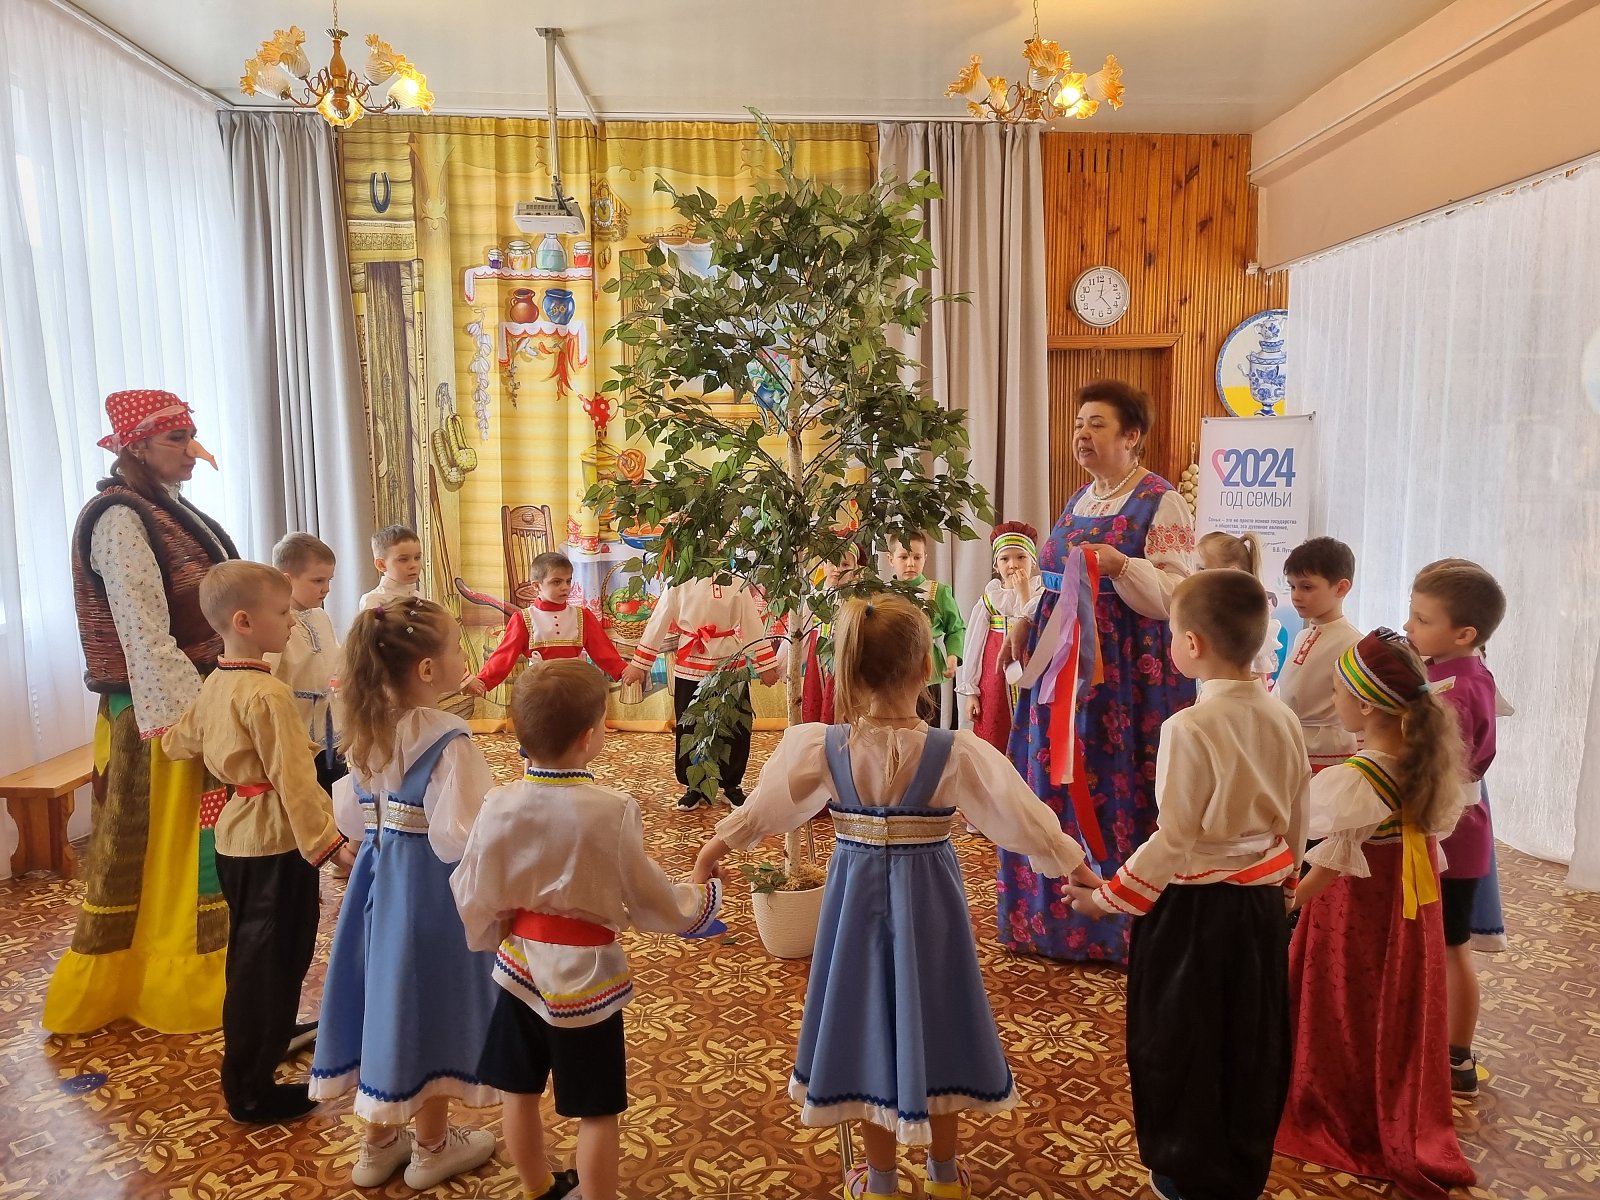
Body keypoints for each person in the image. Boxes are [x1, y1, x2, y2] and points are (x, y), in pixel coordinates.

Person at [692, 594, 1101, 1200]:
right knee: (939, 1019)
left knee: (864, 1025)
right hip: (931, 907)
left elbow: (765, 809)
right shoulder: (955, 751)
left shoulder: (824, 746)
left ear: (850, 671)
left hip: (852, 906)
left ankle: (879, 1181)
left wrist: (713, 850)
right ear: (927, 668)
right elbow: (1020, 818)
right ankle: (943, 1176)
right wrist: (1073, 863)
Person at [1068, 569, 1309, 1200]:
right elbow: (1296, 818)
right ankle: (1241, 1169)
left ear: (1193, 644)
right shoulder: (1283, 718)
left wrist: (1105, 899)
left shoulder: (1189, 727)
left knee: (1179, 1038)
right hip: (1259, 909)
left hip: (1194, 913)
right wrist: (1284, 890)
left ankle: (1185, 1174)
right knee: (1250, 1036)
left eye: (1173, 632)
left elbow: (1174, 840)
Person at [451, 660, 726, 1200]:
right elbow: (647, 895)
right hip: (586, 981)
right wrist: (698, 892)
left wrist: (493, 938)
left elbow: (473, 887)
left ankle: (538, 1189)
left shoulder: (498, 804)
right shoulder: (612, 810)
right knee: (597, 1108)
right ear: (588, 736)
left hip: (519, 968)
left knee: (518, 1090)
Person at [45, 389, 237, 1036]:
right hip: (157, 711)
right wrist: (192, 721)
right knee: (161, 848)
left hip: (195, 695)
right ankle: (157, 982)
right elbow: (143, 632)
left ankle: (202, 976)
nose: (193, 450)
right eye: (176, 438)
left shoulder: (166, 508)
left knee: (196, 845)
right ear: (137, 446)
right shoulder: (119, 518)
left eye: (190, 435)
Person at [997, 380, 1196, 965]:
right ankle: (1047, 920)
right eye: (1079, 424)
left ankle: (1121, 924)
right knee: (1053, 777)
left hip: (1125, 676)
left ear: (1132, 436)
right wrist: (1025, 619)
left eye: (1097, 424)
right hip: (1061, 671)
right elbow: (1056, 581)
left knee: (1116, 782)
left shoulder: (1160, 500)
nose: (1082, 434)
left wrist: (1123, 566)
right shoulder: (1079, 499)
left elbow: (1177, 594)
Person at [1275, 629, 1475, 1200]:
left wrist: (1283, 905)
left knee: (1346, 1009)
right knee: (1391, 1004)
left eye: (1338, 691)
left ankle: (1339, 1105)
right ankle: (1389, 1096)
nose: (1333, 700)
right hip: (1405, 916)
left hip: (1353, 918)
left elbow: (1329, 865)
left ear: (1365, 705)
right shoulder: (1422, 765)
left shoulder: (1359, 779)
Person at [309, 598, 502, 1190]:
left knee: (382, 996)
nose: (463, 658)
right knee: (429, 1004)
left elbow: (352, 816)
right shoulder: (447, 739)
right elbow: (462, 835)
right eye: (456, 648)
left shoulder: (366, 727)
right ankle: (432, 1147)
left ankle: (376, 1144)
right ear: (427, 668)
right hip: (428, 894)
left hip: (375, 883)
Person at [161, 561, 355, 1123]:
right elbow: (295, 780)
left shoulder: (217, 683)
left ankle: (269, 1042)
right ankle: (250, 1090)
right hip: (275, 842)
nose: (292, 621)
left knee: (254, 957)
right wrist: (329, 844)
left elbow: (178, 742)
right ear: (244, 621)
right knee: (275, 961)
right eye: (282, 611)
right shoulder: (267, 694)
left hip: (235, 837)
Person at [1405, 558, 1506, 1097]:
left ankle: (1457, 1054)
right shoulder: (1452, 672)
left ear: (1464, 633)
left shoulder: (1456, 689)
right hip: (1451, 824)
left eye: (1422, 619)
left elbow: (1439, 766)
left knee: (1451, 944)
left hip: (1451, 831)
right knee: (1439, 942)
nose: (1409, 626)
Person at [620, 575, 781, 809]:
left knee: (735, 726)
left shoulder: (737, 580)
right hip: (690, 664)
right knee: (690, 727)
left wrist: (765, 665)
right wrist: (639, 664)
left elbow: (751, 622)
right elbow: (659, 620)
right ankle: (694, 786)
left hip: (730, 664)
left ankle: (732, 785)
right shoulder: (679, 580)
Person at [465, 551, 626, 698]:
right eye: (556, 582)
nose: (565, 587)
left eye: (568, 581)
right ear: (536, 586)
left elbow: (602, 650)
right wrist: (483, 681)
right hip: (539, 687)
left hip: (575, 685)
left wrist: (623, 670)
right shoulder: (523, 618)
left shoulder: (582, 616)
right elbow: (505, 655)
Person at [269, 533, 347, 793]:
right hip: (296, 727)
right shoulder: (274, 622)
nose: (326, 588)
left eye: (329, 580)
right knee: (305, 793)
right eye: (317, 581)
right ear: (286, 580)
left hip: (330, 725)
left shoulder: (321, 617)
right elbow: (267, 675)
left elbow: (334, 660)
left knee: (335, 790)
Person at [1276, 537, 1362, 774]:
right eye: (1292, 586)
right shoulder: (1303, 635)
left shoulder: (1353, 643)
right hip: (1294, 739)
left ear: (1341, 588)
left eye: (1307, 587)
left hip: (1328, 749)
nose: (1296, 596)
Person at [956, 523, 1039, 753]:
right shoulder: (990, 599)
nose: (1013, 564)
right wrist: (972, 691)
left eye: (1021, 557)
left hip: (1032, 676)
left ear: (1033, 561)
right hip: (994, 681)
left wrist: (1024, 595)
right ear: (995, 565)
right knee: (995, 731)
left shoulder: (1041, 595)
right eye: (1005, 559)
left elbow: (1039, 629)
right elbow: (974, 645)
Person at [887, 531, 964, 727]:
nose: (910, 563)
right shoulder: (883, 594)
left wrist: (953, 655)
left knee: (927, 725)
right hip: (891, 672)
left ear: (925, 558)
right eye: (903, 557)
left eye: (917, 557)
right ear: (891, 559)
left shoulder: (938, 592)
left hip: (927, 672)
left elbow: (955, 628)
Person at [1195, 530, 1281, 684]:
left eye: (1201, 569)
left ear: (1230, 572)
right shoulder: (1210, 612)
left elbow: (1259, 677)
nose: (1193, 575)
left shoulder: (1250, 620)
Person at [801, 546, 862, 725]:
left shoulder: (858, 599)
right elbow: (801, 633)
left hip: (847, 655)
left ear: (855, 568)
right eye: (833, 563)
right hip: (818, 656)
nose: (838, 569)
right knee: (818, 698)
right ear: (823, 565)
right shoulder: (815, 596)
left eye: (845, 564)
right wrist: (782, 665)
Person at [359, 524, 424, 612]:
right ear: (381, 565)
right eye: (403, 559)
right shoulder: (374, 600)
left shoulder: (420, 598)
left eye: (417, 558)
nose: (413, 565)